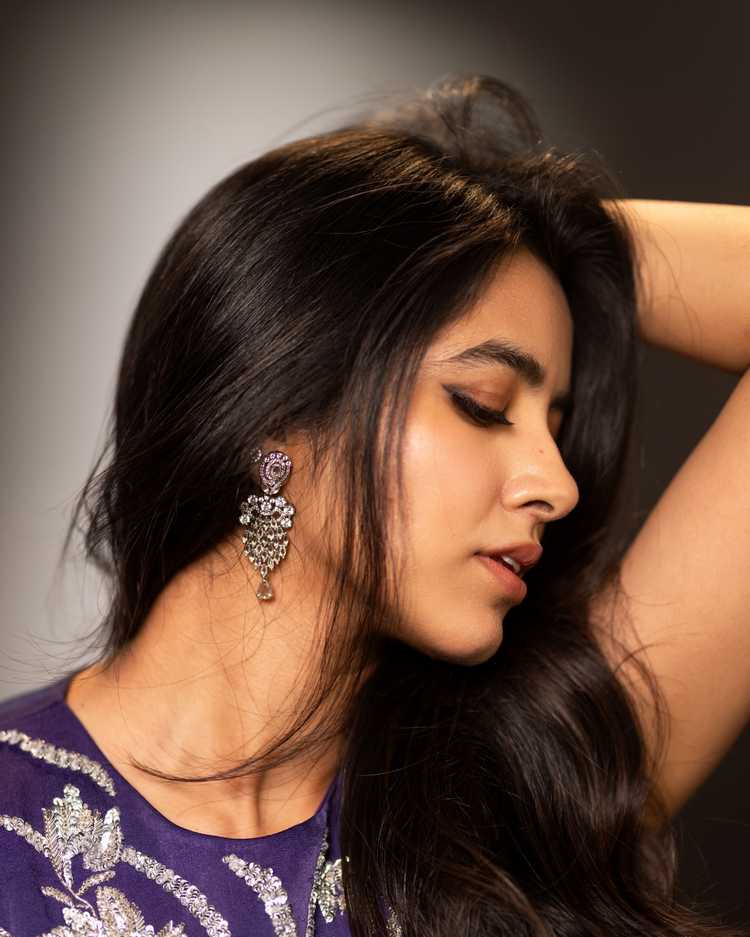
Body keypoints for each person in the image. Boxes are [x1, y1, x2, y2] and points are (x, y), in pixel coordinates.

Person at [0, 72, 748, 937]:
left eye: (555, 426)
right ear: (277, 409)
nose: (558, 484)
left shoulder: (528, 796)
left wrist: (534, 216)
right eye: (483, 404)